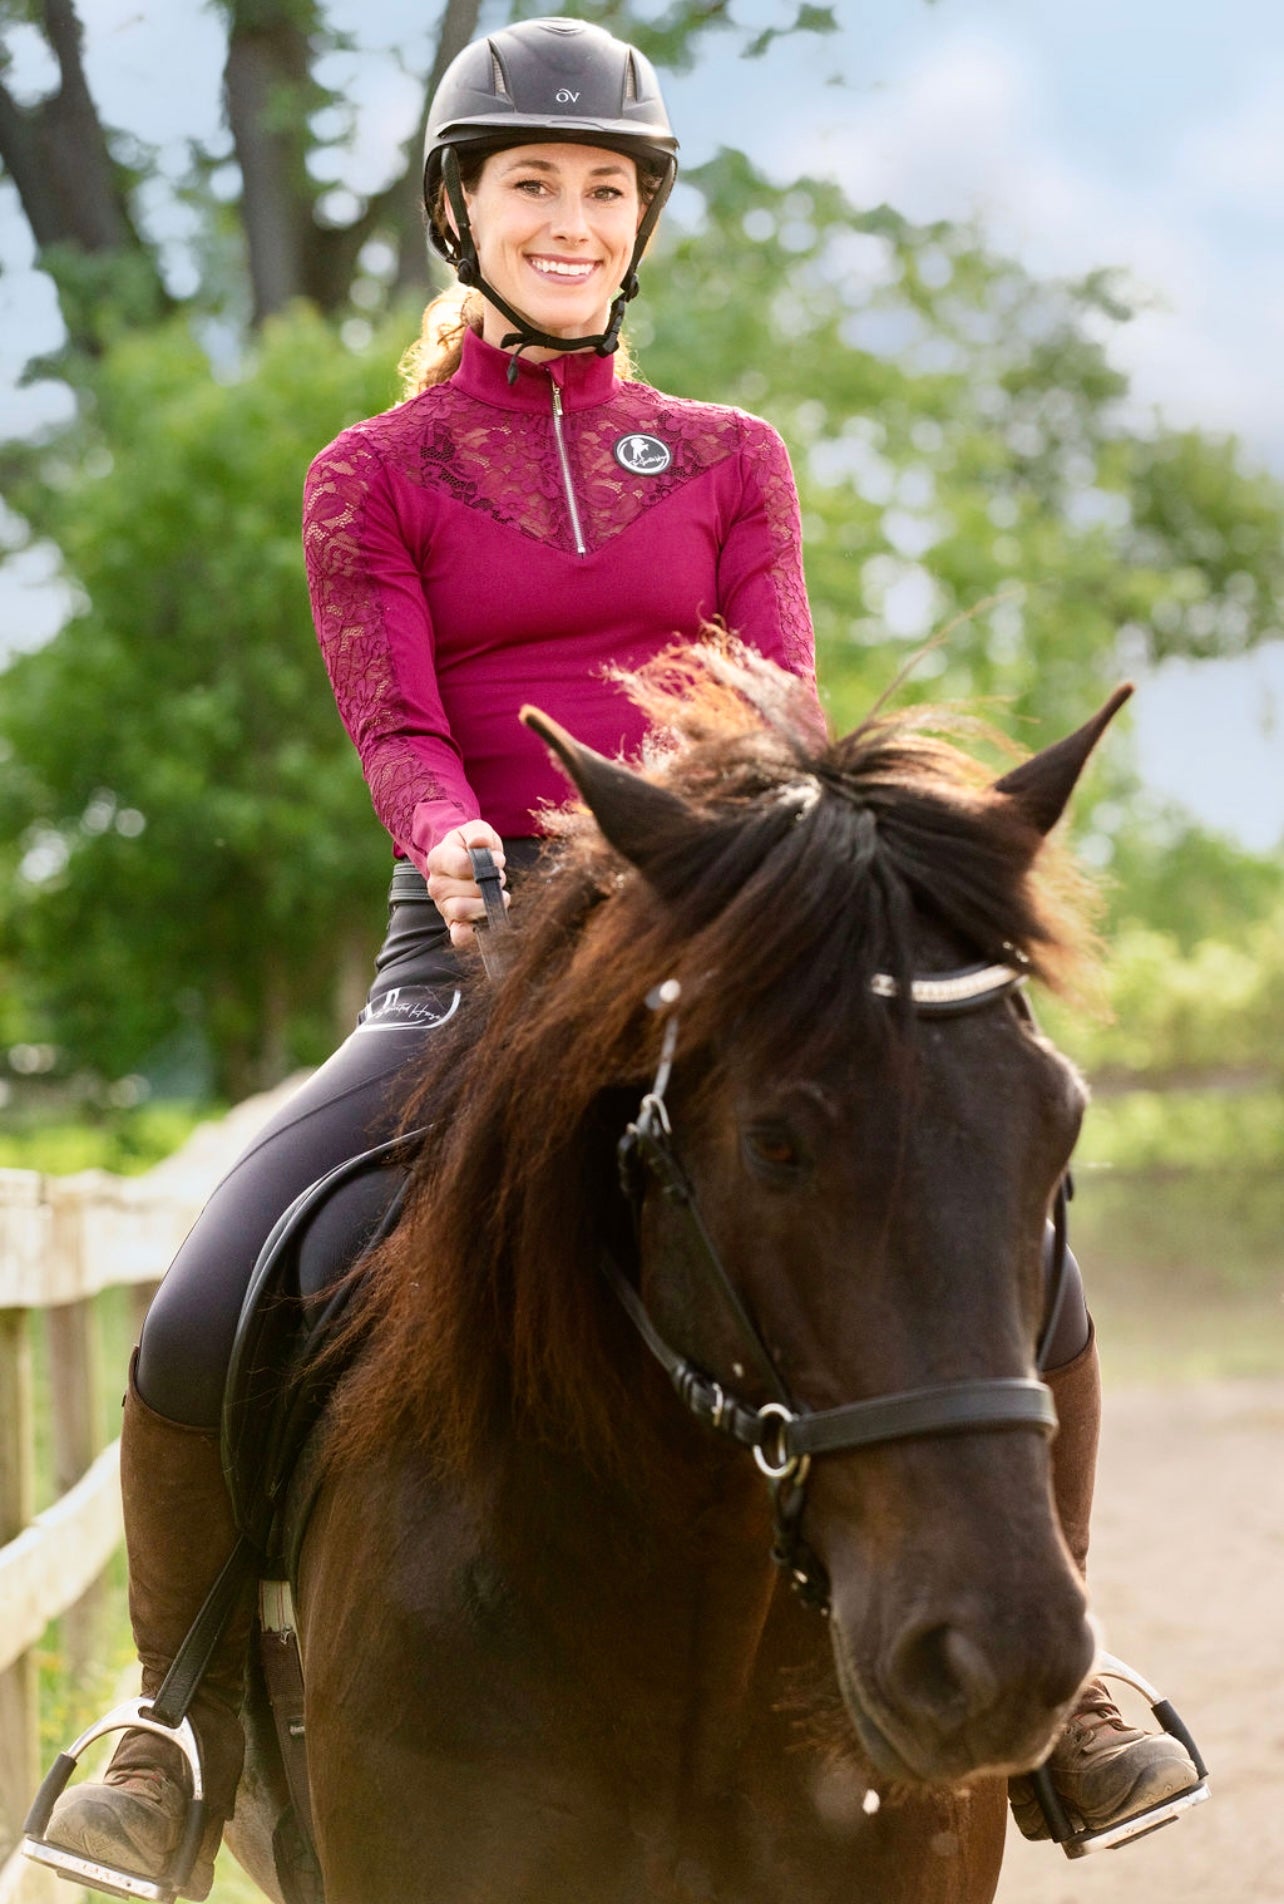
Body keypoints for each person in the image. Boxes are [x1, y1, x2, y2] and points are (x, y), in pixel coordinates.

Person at [37, 16, 1195, 1901]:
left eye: (602, 190)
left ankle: (1053, 1689)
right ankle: (175, 1719)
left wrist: (769, 876)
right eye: (531, 186)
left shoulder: (733, 457)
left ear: (640, 223)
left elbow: (774, 697)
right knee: (222, 1278)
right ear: (458, 211)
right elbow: (399, 723)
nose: (568, 219)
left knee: (1008, 1247)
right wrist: (451, 837)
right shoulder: (375, 473)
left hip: (718, 933)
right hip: (473, 956)